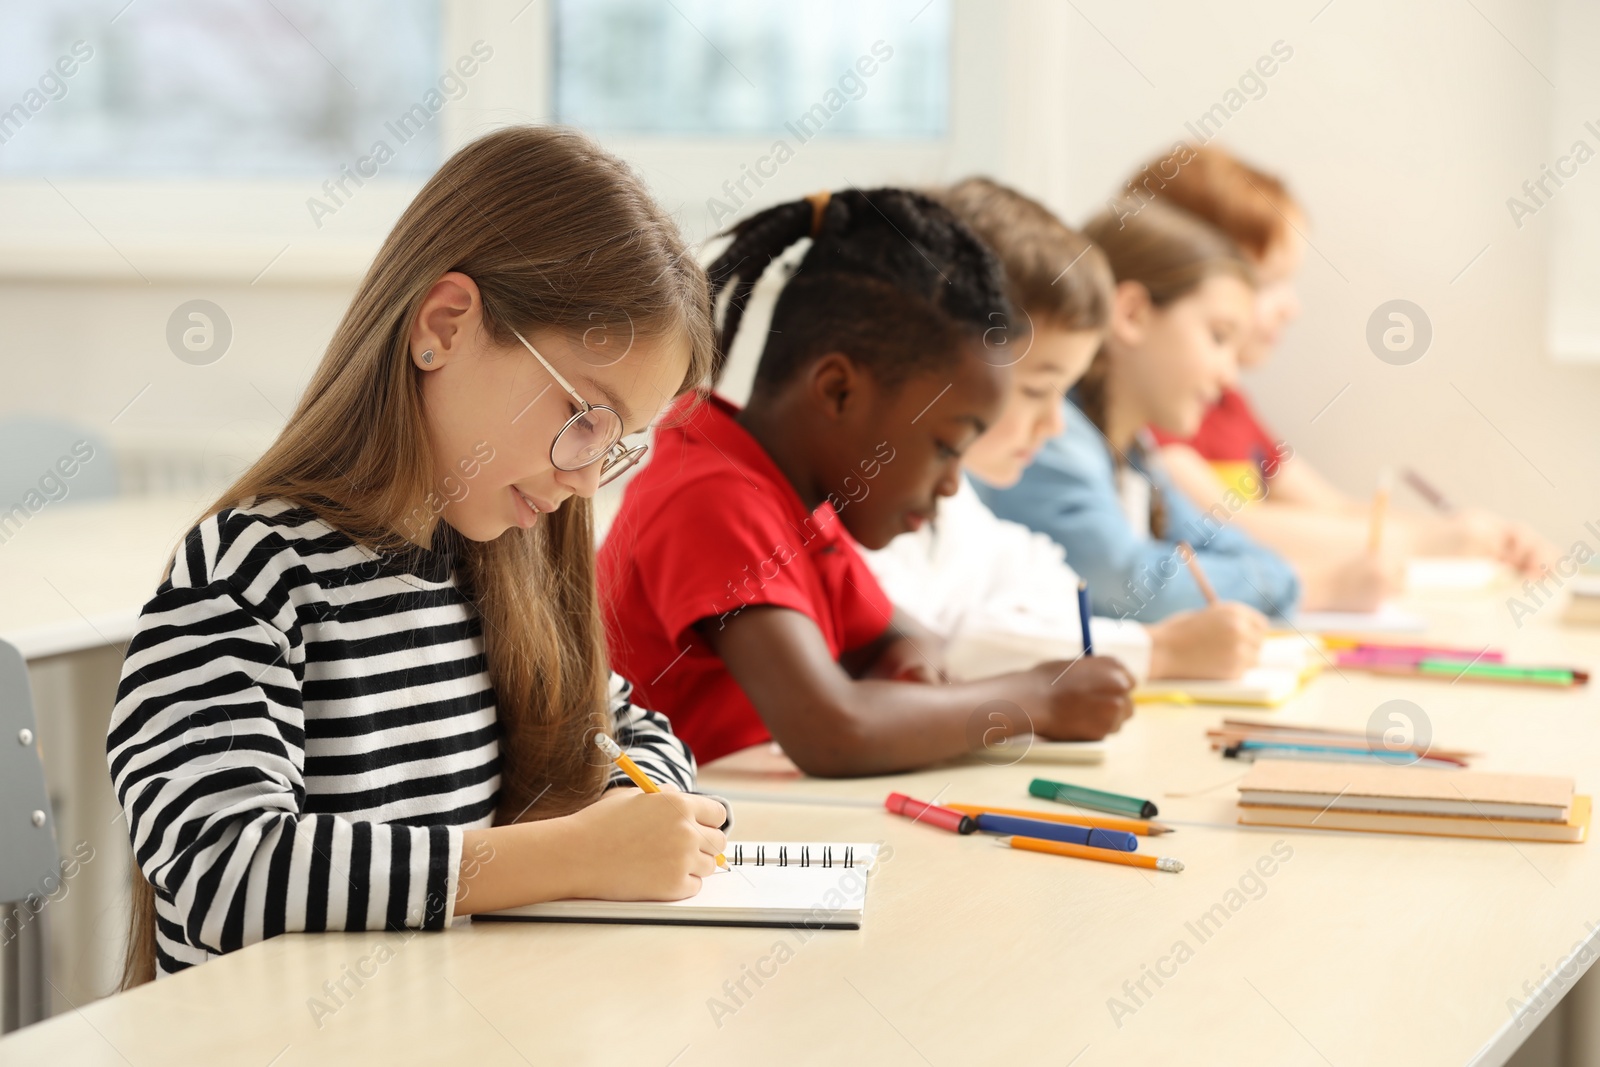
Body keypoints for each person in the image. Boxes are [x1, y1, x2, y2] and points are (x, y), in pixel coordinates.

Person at [107, 127, 729, 983]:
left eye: (616, 445)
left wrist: (634, 810)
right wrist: (574, 855)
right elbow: (223, 872)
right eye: (585, 416)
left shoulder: (497, 566)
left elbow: (630, 730)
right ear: (445, 326)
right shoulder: (249, 572)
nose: (587, 482)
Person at [599, 188, 1134, 775]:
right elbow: (835, 732)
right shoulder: (711, 495)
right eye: (946, 447)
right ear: (838, 391)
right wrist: (1040, 698)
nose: (953, 485)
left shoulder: (806, 505)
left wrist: (907, 687)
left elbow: (904, 639)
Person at [861, 177, 1266, 681]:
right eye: (1035, 392)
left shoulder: (955, 500)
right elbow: (939, 645)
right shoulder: (856, 508)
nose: (1054, 425)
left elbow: (1044, 583)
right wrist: (1155, 652)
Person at [1136, 144, 1554, 582]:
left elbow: (1331, 508)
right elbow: (1230, 527)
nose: (1291, 307)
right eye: (1268, 284)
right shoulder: (1160, 411)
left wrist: (1473, 536)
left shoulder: (1229, 405)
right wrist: (1429, 545)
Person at [976, 198, 1303, 621]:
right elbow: (1129, 586)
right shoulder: (1055, 438)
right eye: (1219, 338)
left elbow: (1220, 543)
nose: (1229, 379)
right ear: (1131, 314)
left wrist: (1272, 576)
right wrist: (1276, 581)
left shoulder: (1136, 452)